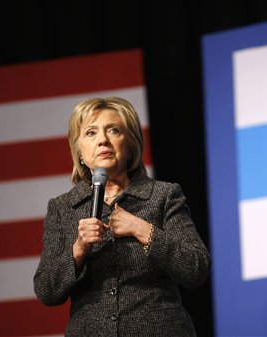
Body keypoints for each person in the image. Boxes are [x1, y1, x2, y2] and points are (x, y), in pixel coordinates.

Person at [33, 96, 211, 336]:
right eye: (91, 133)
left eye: (114, 130)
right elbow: (47, 291)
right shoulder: (63, 208)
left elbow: (196, 268)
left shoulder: (163, 196)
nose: (103, 140)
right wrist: (78, 250)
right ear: (80, 153)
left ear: (130, 146)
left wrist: (143, 230)